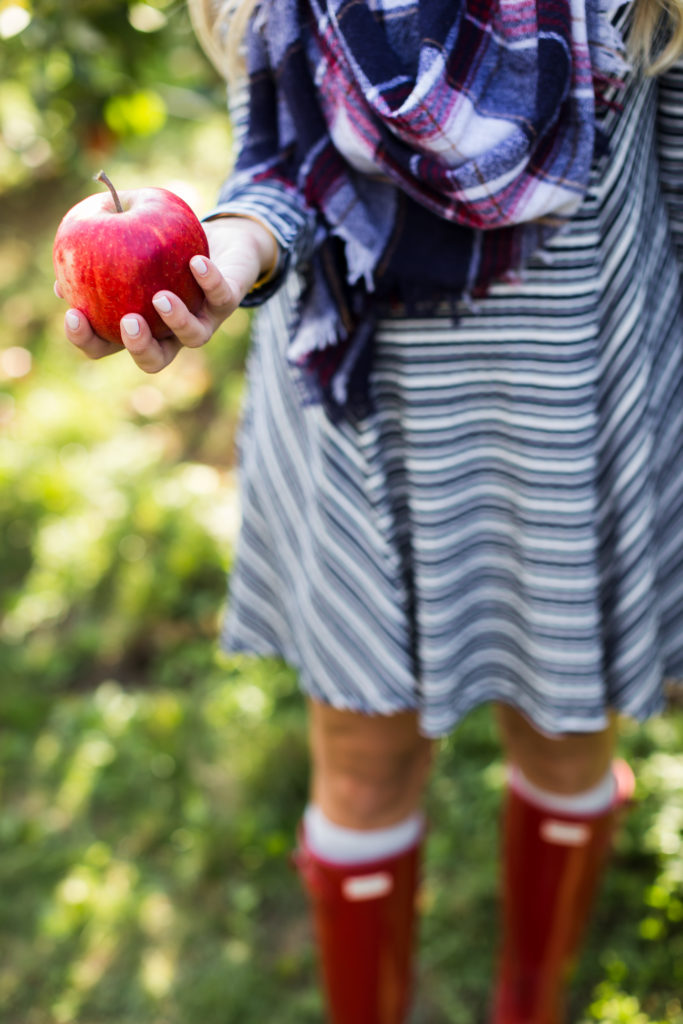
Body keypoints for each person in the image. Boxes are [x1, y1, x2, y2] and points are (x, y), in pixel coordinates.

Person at [57, 0, 683, 1020]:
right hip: (367, 408)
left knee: (565, 738)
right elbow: (284, 167)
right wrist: (226, 254)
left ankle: (526, 1006)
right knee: (360, 761)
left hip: (579, 401)